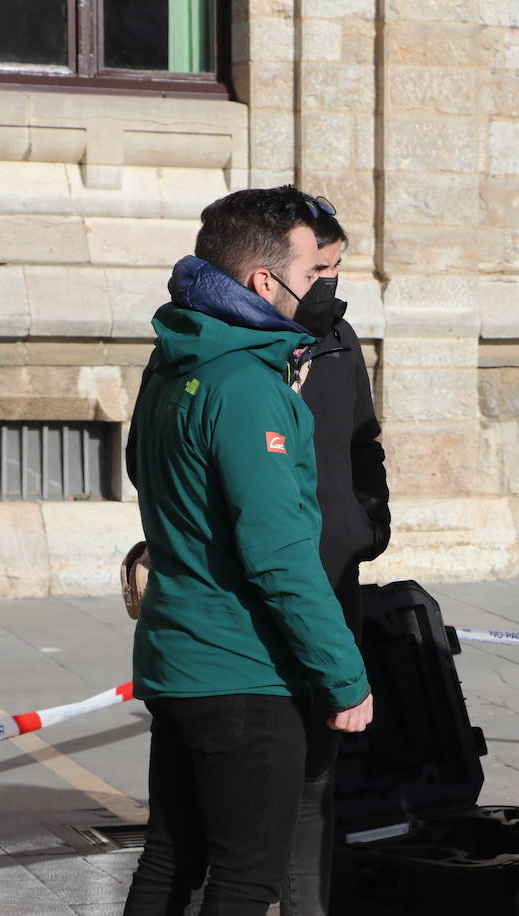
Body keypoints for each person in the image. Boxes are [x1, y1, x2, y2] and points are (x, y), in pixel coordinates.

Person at [123, 187, 374, 916]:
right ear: (265, 281)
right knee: (243, 880)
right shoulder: (247, 385)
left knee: (170, 861)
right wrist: (344, 674)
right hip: (245, 674)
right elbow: (279, 555)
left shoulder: (176, 363)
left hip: (179, 660)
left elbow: (149, 472)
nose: (319, 290)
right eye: (311, 274)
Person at [280, 197, 392, 915]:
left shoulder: (339, 338)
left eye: (339, 267)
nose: (331, 281)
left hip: (332, 585)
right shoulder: (227, 350)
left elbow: (362, 445)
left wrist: (367, 522)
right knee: (252, 794)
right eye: (319, 268)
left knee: (317, 782)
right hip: (259, 605)